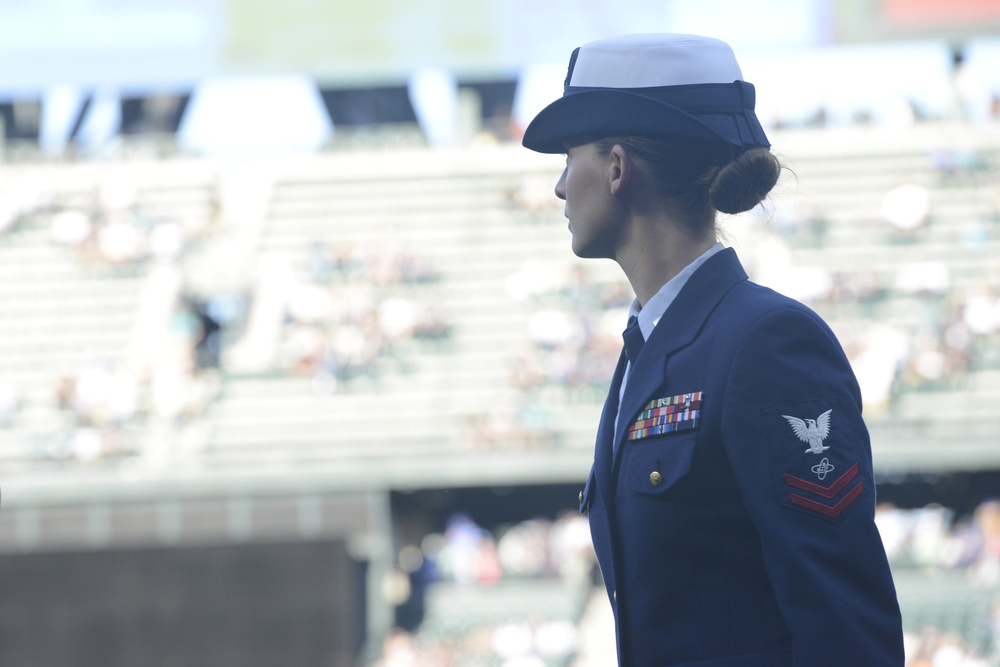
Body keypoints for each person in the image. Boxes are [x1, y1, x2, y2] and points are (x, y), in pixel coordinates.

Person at [521, 34, 905, 666]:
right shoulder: (648, 346)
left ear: (618, 169)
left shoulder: (765, 343)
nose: (561, 187)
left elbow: (845, 625)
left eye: (568, 159)